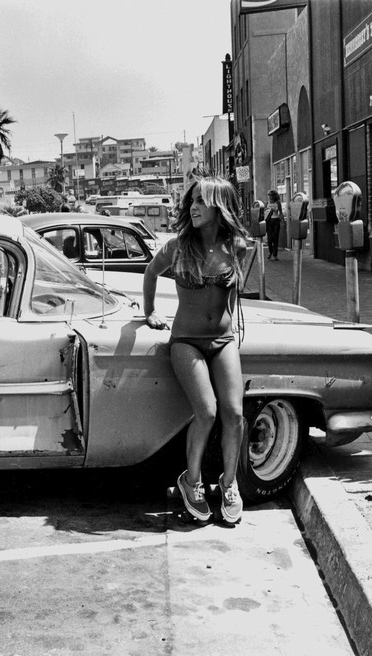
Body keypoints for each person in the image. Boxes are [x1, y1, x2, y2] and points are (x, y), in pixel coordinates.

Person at [142, 176, 250, 525]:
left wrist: (231, 319)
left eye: (202, 201)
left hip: (223, 341)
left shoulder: (237, 247)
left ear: (220, 206)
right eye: (192, 201)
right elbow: (150, 272)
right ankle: (191, 483)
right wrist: (150, 312)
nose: (194, 207)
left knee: (234, 413)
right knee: (206, 411)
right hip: (186, 342)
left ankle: (229, 484)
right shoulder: (177, 246)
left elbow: (233, 295)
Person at [264, 189, 283, 260]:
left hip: (276, 221)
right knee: (269, 239)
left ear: (274, 196)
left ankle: (275, 255)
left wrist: (282, 221)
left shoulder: (278, 203)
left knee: (275, 238)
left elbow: (280, 212)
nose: (270, 197)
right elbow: (264, 212)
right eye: (269, 196)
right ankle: (270, 252)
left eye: (271, 196)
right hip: (269, 221)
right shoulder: (267, 203)